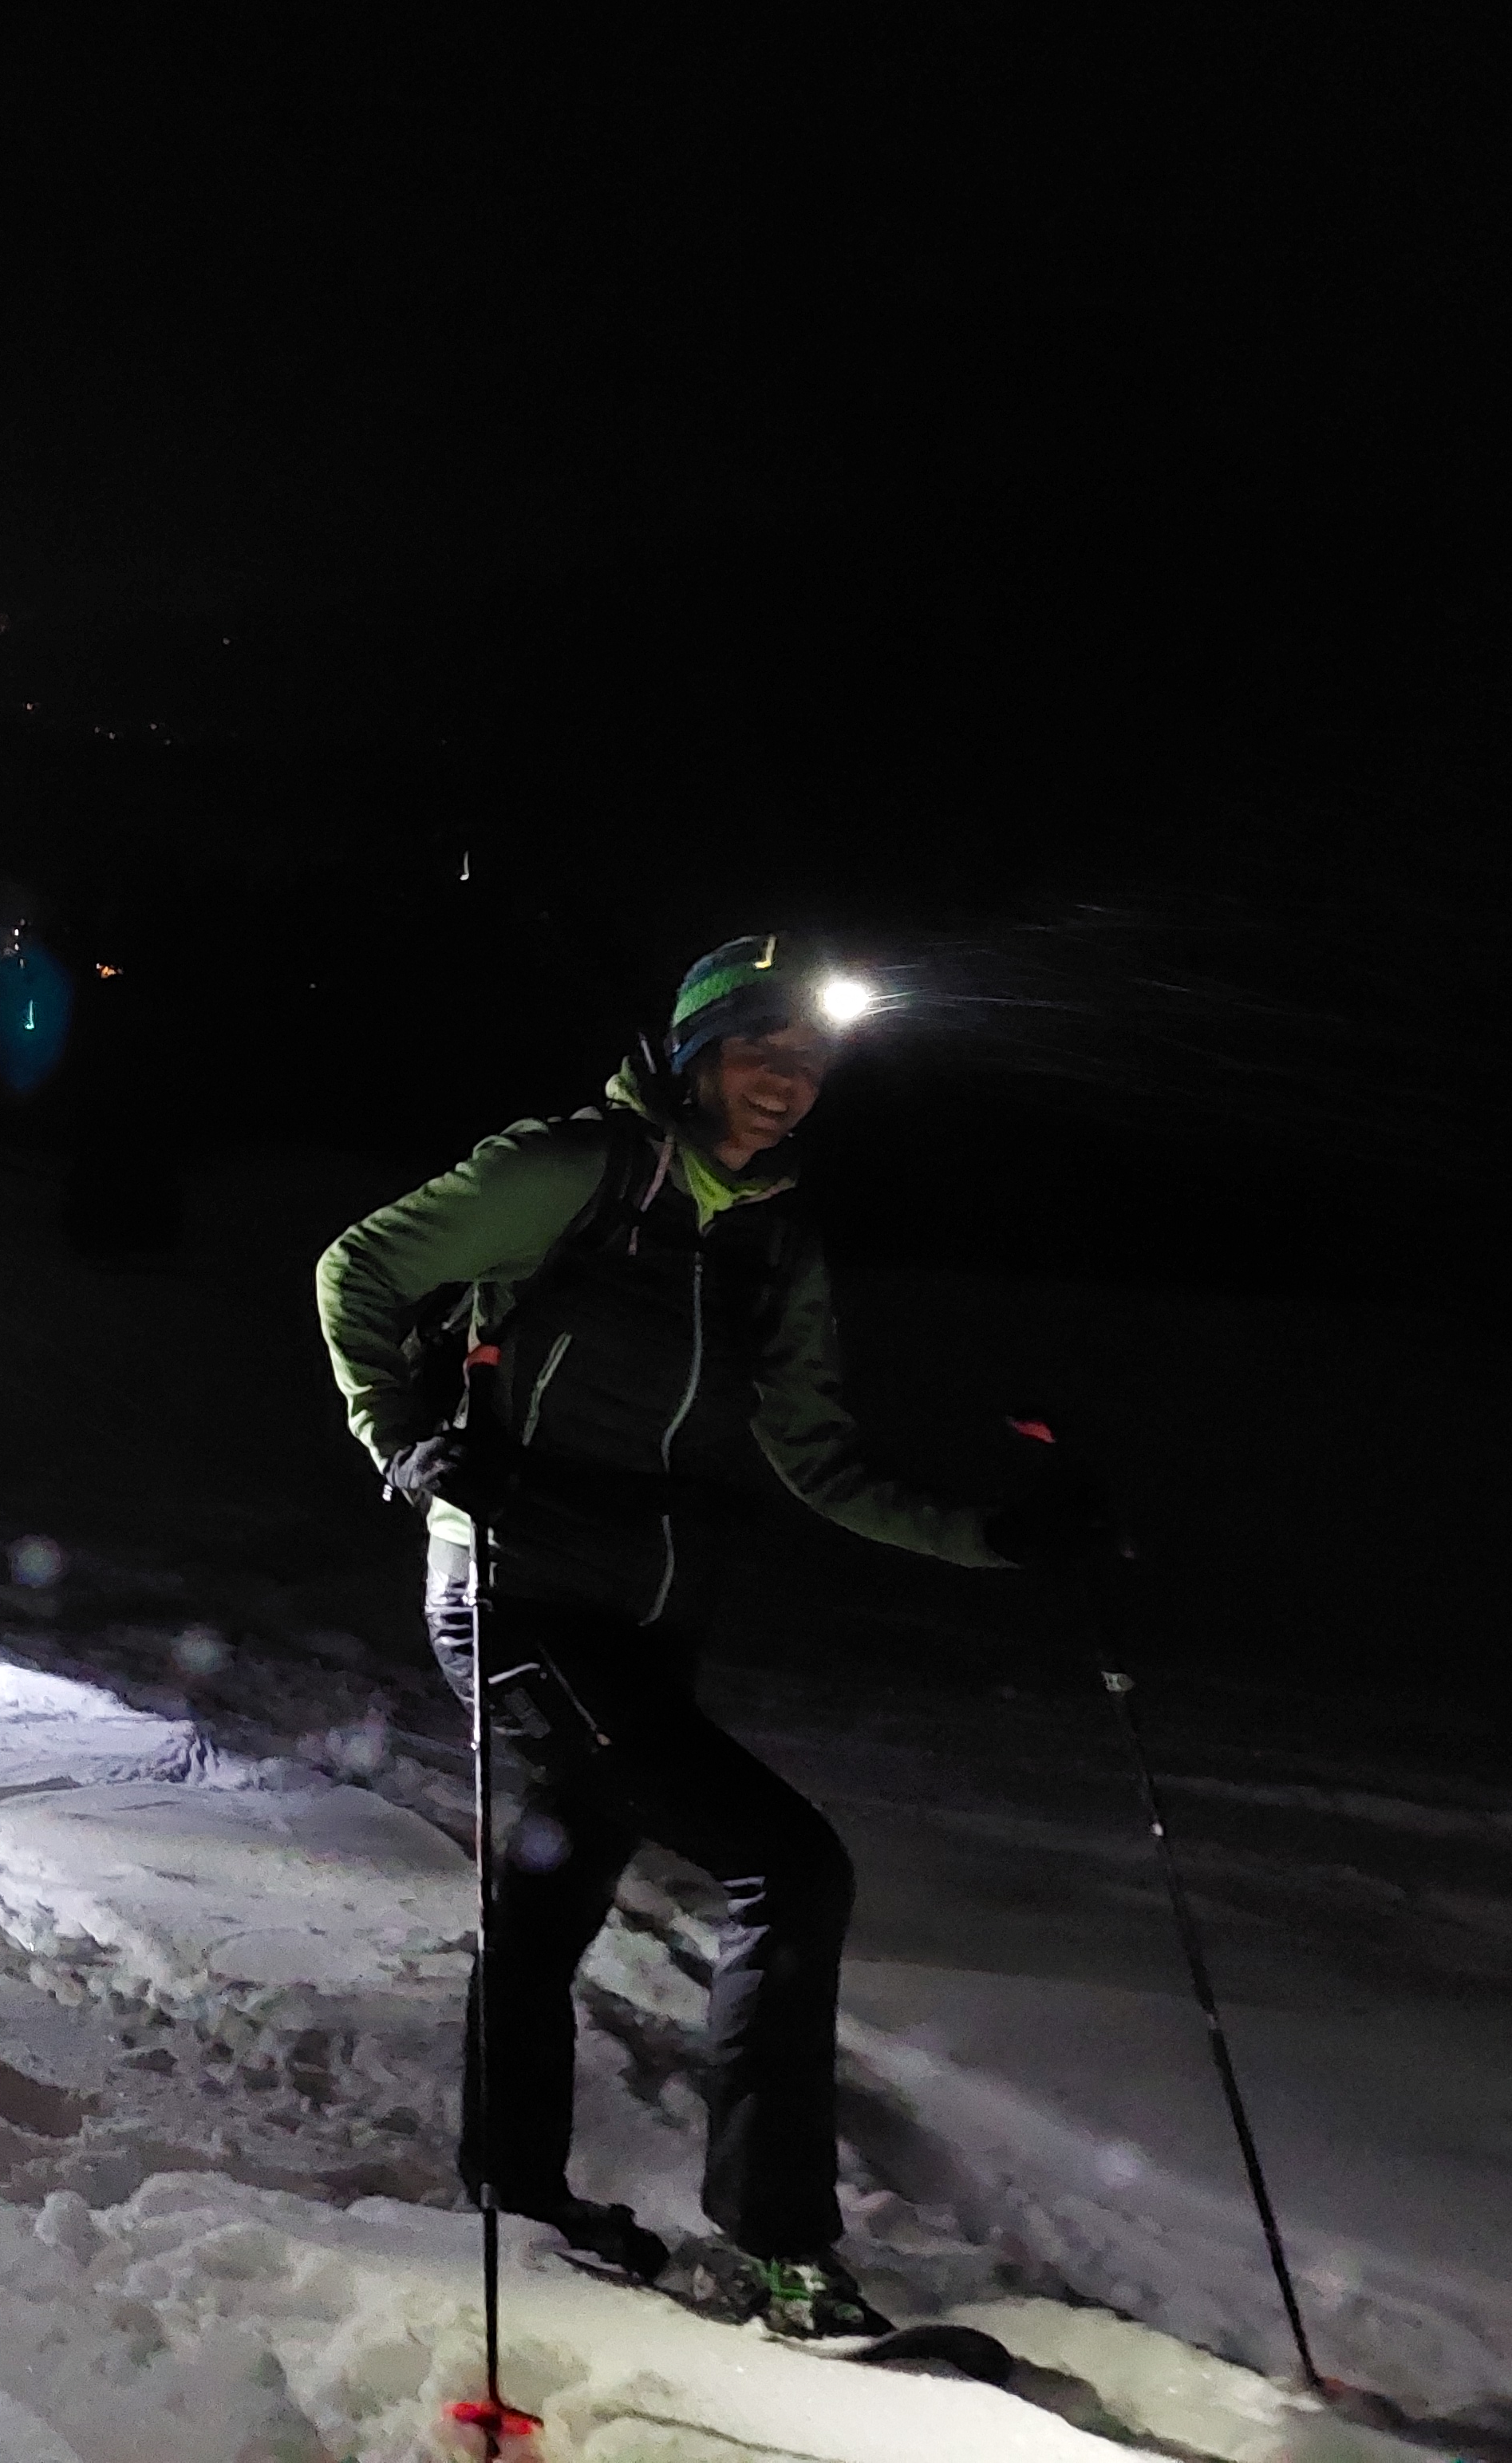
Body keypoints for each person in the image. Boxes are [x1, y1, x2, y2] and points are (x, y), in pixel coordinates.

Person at [312, 935, 1101, 2341]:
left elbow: (818, 1458)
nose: (785, 1081)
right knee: (788, 1866)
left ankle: (514, 2196)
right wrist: (407, 1440)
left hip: (648, 1617)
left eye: (809, 1059)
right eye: (757, 1049)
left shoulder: (774, 1238)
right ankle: (782, 2250)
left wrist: (994, 1537)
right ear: (692, 1053)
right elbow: (356, 1269)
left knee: (551, 1900)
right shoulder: (572, 1169)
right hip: (512, 1595)